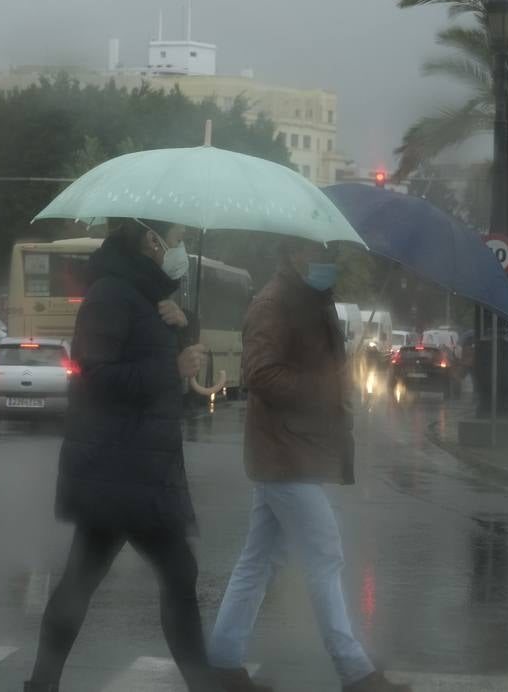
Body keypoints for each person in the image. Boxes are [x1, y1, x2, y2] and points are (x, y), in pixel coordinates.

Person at [208, 240, 412, 692]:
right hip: (283, 451)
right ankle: (355, 672)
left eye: (331, 254)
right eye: (319, 253)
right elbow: (258, 373)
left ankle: (223, 664)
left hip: (290, 449)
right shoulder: (274, 303)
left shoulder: (308, 300)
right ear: (295, 254)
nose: (328, 263)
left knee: (258, 562)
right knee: (325, 553)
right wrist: (324, 384)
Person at [26, 218, 219, 692]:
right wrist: (169, 366)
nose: (176, 248)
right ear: (148, 239)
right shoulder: (110, 294)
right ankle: (203, 685)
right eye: (173, 239)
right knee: (176, 574)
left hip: (134, 465)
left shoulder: (147, 297)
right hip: (119, 466)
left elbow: (161, 384)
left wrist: (182, 331)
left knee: (82, 582)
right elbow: (96, 378)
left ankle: (40, 685)